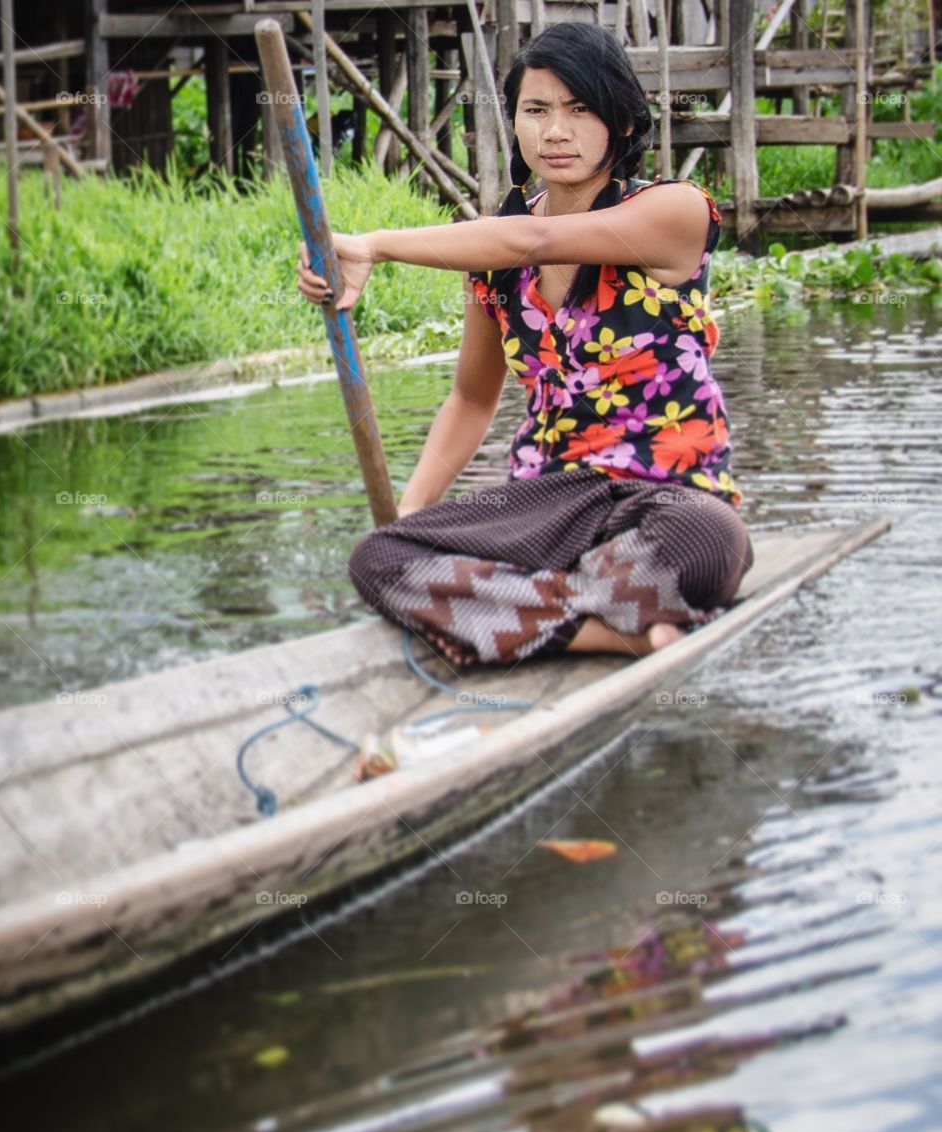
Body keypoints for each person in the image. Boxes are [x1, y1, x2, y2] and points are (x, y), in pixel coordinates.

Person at [298, 22, 753, 670]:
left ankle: (507, 616)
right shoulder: (493, 266)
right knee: (380, 558)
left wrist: (373, 244)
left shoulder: (674, 212)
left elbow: (536, 240)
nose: (555, 131)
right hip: (551, 498)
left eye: (580, 109)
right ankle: (613, 625)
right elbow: (469, 398)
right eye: (535, 110)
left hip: (667, 493)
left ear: (622, 122)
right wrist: (410, 514)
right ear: (513, 122)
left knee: (708, 542)